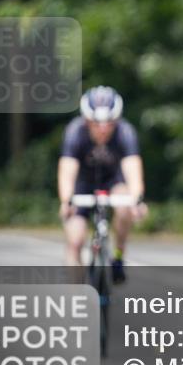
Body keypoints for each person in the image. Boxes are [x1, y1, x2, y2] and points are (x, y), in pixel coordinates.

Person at [58, 86, 147, 281]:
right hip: (82, 186)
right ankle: (77, 296)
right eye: (96, 124)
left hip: (113, 182)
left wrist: (138, 199)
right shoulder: (75, 131)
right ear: (87, 121)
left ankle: (118, 256)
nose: (103, 129)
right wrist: (66, 201)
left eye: (109, 123)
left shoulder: (125, 132)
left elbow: (133, 169)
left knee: (125, 207)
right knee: (75, 240)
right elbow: (67, 170)